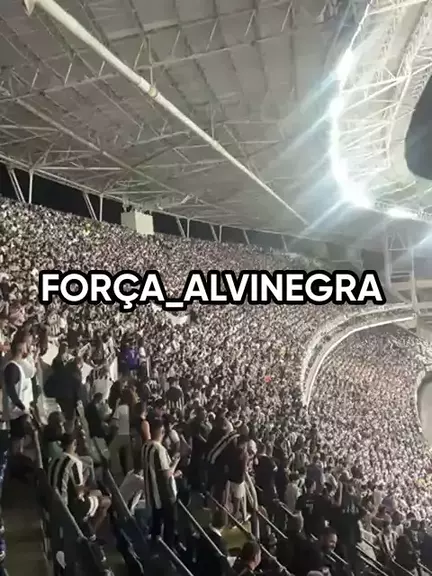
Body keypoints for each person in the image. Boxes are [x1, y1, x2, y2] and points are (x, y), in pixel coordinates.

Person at [142, 418, 180, 547]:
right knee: (170, 522)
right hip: (163, 494)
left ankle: (155, 547)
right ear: (161, 431)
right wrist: (175, 463)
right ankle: (169, 549)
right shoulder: (159, 449)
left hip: (151, 492)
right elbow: (166, 474)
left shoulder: (145, 446)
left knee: (156, 523)